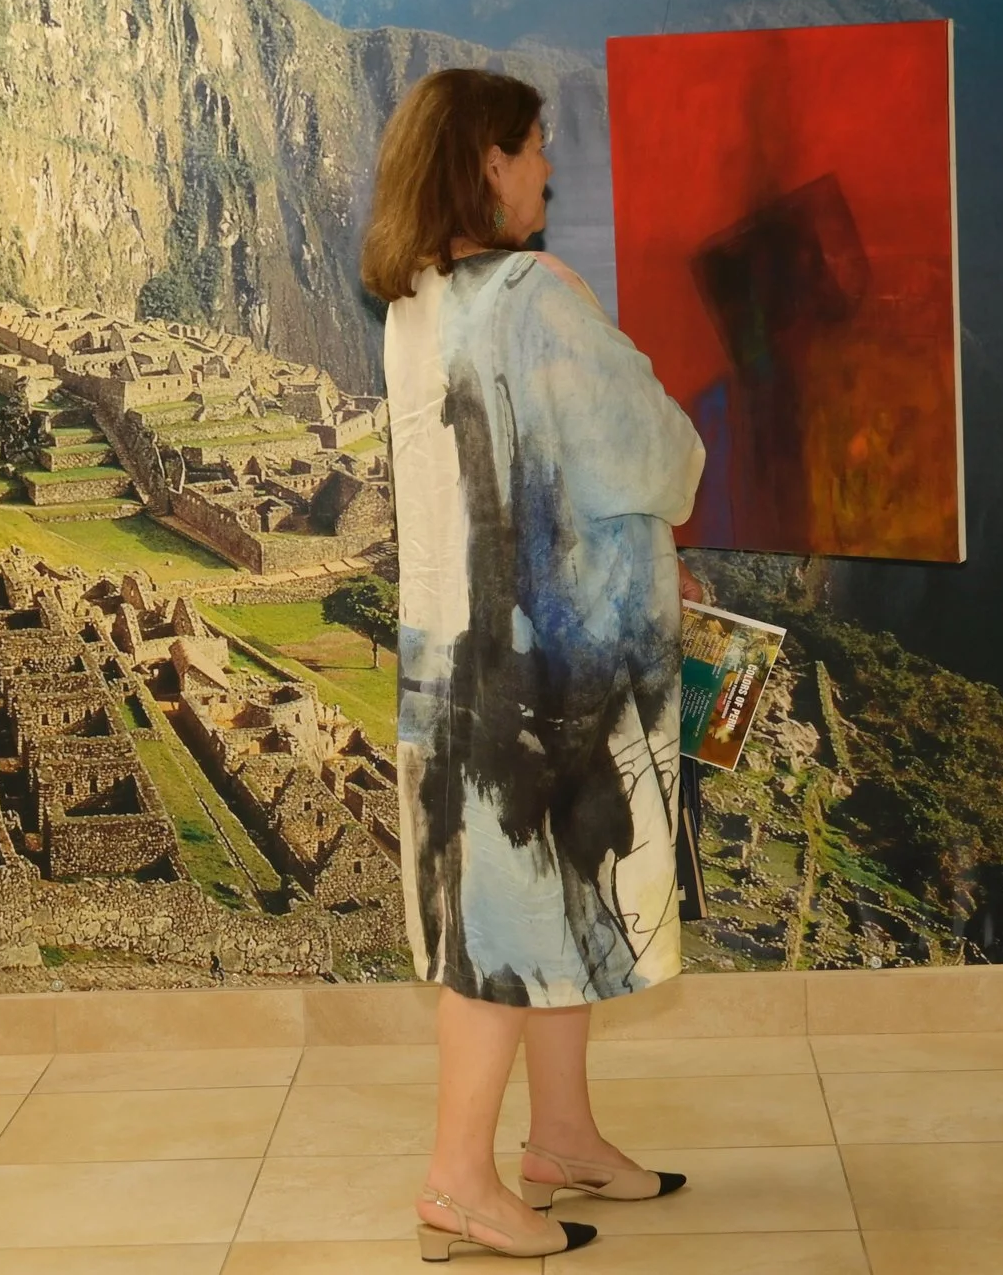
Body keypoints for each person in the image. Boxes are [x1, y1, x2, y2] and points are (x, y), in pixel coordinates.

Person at [361, 68, 706, 1263]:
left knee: (529, 904)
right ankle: (456, 1182)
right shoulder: (535, 296)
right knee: (501, 928)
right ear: (489, 162)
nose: (548, 169)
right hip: (549, 672)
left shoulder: (416, 307)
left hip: (456, 660)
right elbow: (650, 456)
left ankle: (560, 1138)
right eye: (535, 147)